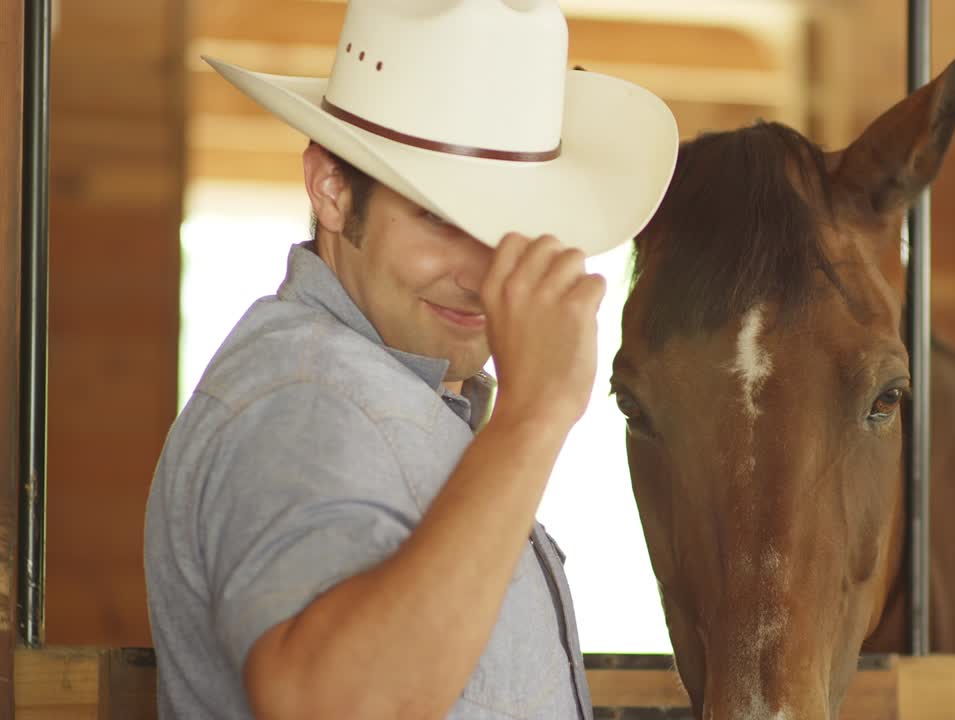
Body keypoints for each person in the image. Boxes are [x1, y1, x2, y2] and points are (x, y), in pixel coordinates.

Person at [142, 1, 678, 718]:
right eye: (441, 218)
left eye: (513, 226)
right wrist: (533, 417)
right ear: (332, 189)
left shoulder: (395, 397)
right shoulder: (307, 401)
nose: (484, 274)